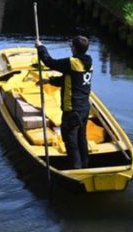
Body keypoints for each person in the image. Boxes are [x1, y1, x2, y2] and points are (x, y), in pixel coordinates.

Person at [35, 36, 93, 169]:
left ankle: (76, 169)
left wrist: (40, 47)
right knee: (81, 138)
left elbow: (49, 62)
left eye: (71, 45)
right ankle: (85, 165)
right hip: (84, 109)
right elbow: (70, 80)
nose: (70, 48)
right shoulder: (89, 62)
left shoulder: (71, 62)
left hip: (72, 110)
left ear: (74, 48)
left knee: (70, 139)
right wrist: (49, 80)